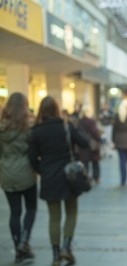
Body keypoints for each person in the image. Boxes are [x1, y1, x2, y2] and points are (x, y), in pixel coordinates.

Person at [28, 96, 89, 265]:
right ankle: (66, 248)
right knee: (71, 212)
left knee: (53, 217)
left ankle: (56, 256)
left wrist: (44, 170)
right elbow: (85, 143)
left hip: (49, 177)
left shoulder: (36, 130)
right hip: (69, 176)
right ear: (57, 109)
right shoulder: (66, 126)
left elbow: (32, 158)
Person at [0, 92, 37, 263]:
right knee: (31, 208)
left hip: (7, 174)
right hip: (26, 174)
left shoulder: (1, 127)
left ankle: (17, 249)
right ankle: (24, 242)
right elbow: (34, 151)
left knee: (14, 212)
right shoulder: (29, 126)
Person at [78, 106, 102, 184]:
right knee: (95, 162)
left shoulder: (80, 121)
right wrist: (99, 138)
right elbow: (95, 132)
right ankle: (96, 177)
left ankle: (85, 179)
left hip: (83, 145)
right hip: (92, 145)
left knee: (85, 164)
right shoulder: (91, 121)